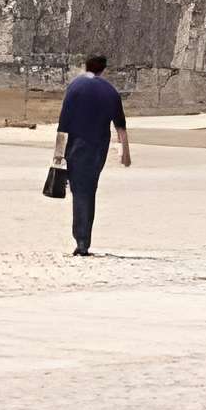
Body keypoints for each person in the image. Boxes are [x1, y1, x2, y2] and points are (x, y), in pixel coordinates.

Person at [53, 51, 131, 256]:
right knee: (88, 190)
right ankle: (83, 238)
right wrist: (126, 152)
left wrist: (58, 154)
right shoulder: (111, 91)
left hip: (77, 146)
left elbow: (63, 123)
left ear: (86, 66)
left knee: (80, 192)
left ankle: (81, 241)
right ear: (103, 69)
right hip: (99, 149)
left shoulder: (75, 87)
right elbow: (120, 125)